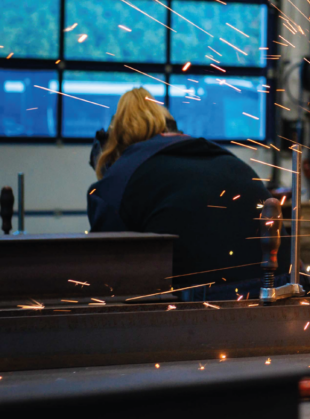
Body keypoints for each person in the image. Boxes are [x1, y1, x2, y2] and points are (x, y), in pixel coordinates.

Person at [87, 87, 293, 300]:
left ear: (114, 146)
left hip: (201, 308)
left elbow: (102, 275)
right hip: (282, 291)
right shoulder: (222, 157)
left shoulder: (120, 178)